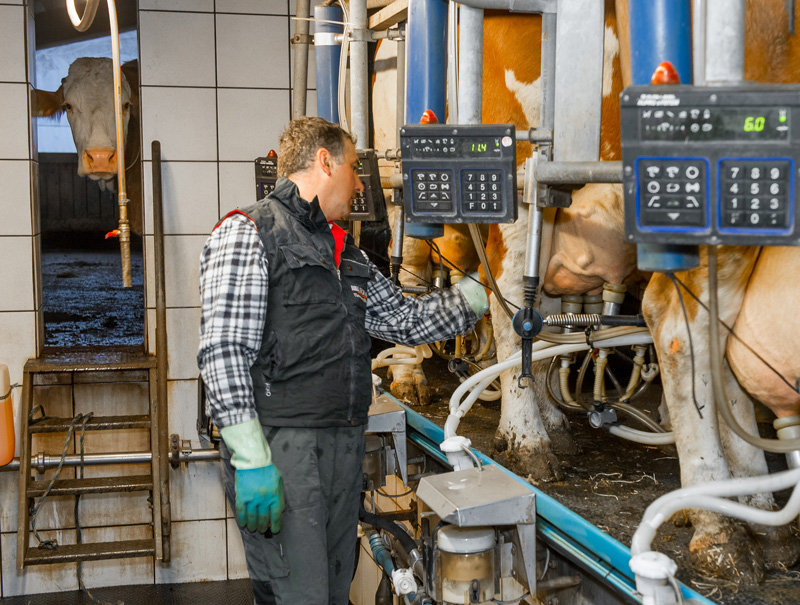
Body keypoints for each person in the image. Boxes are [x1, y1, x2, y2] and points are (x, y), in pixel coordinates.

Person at [197, 116, 489, 605]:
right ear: (323, 160)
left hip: (340, 446)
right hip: (282, 451)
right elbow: (224, 351)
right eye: (354, 168)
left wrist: (485, 291)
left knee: (332, 592)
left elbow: (408, 322)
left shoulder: (344, 252)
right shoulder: (248, 232)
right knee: (298, 594)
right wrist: (250, 460)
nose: (359, 184)